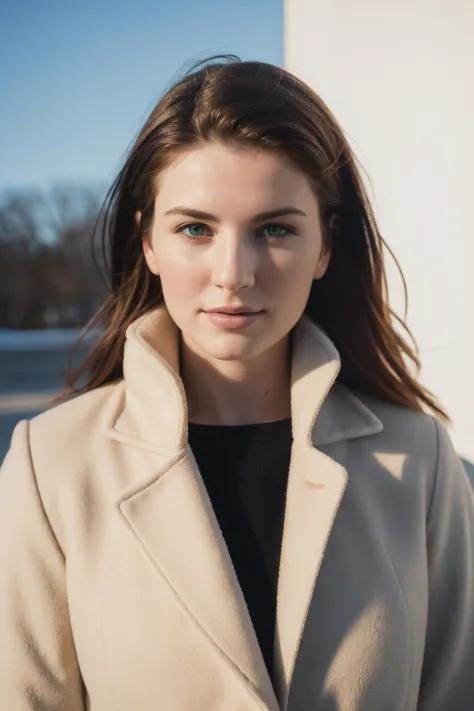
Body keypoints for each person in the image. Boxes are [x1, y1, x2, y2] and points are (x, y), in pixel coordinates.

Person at [0, 55, 473, 711]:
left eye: (275, 229)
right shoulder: (50, 465)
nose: (233, 272)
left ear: (326, 248)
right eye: (195, 228)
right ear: (148, 243)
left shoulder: (418, 458)